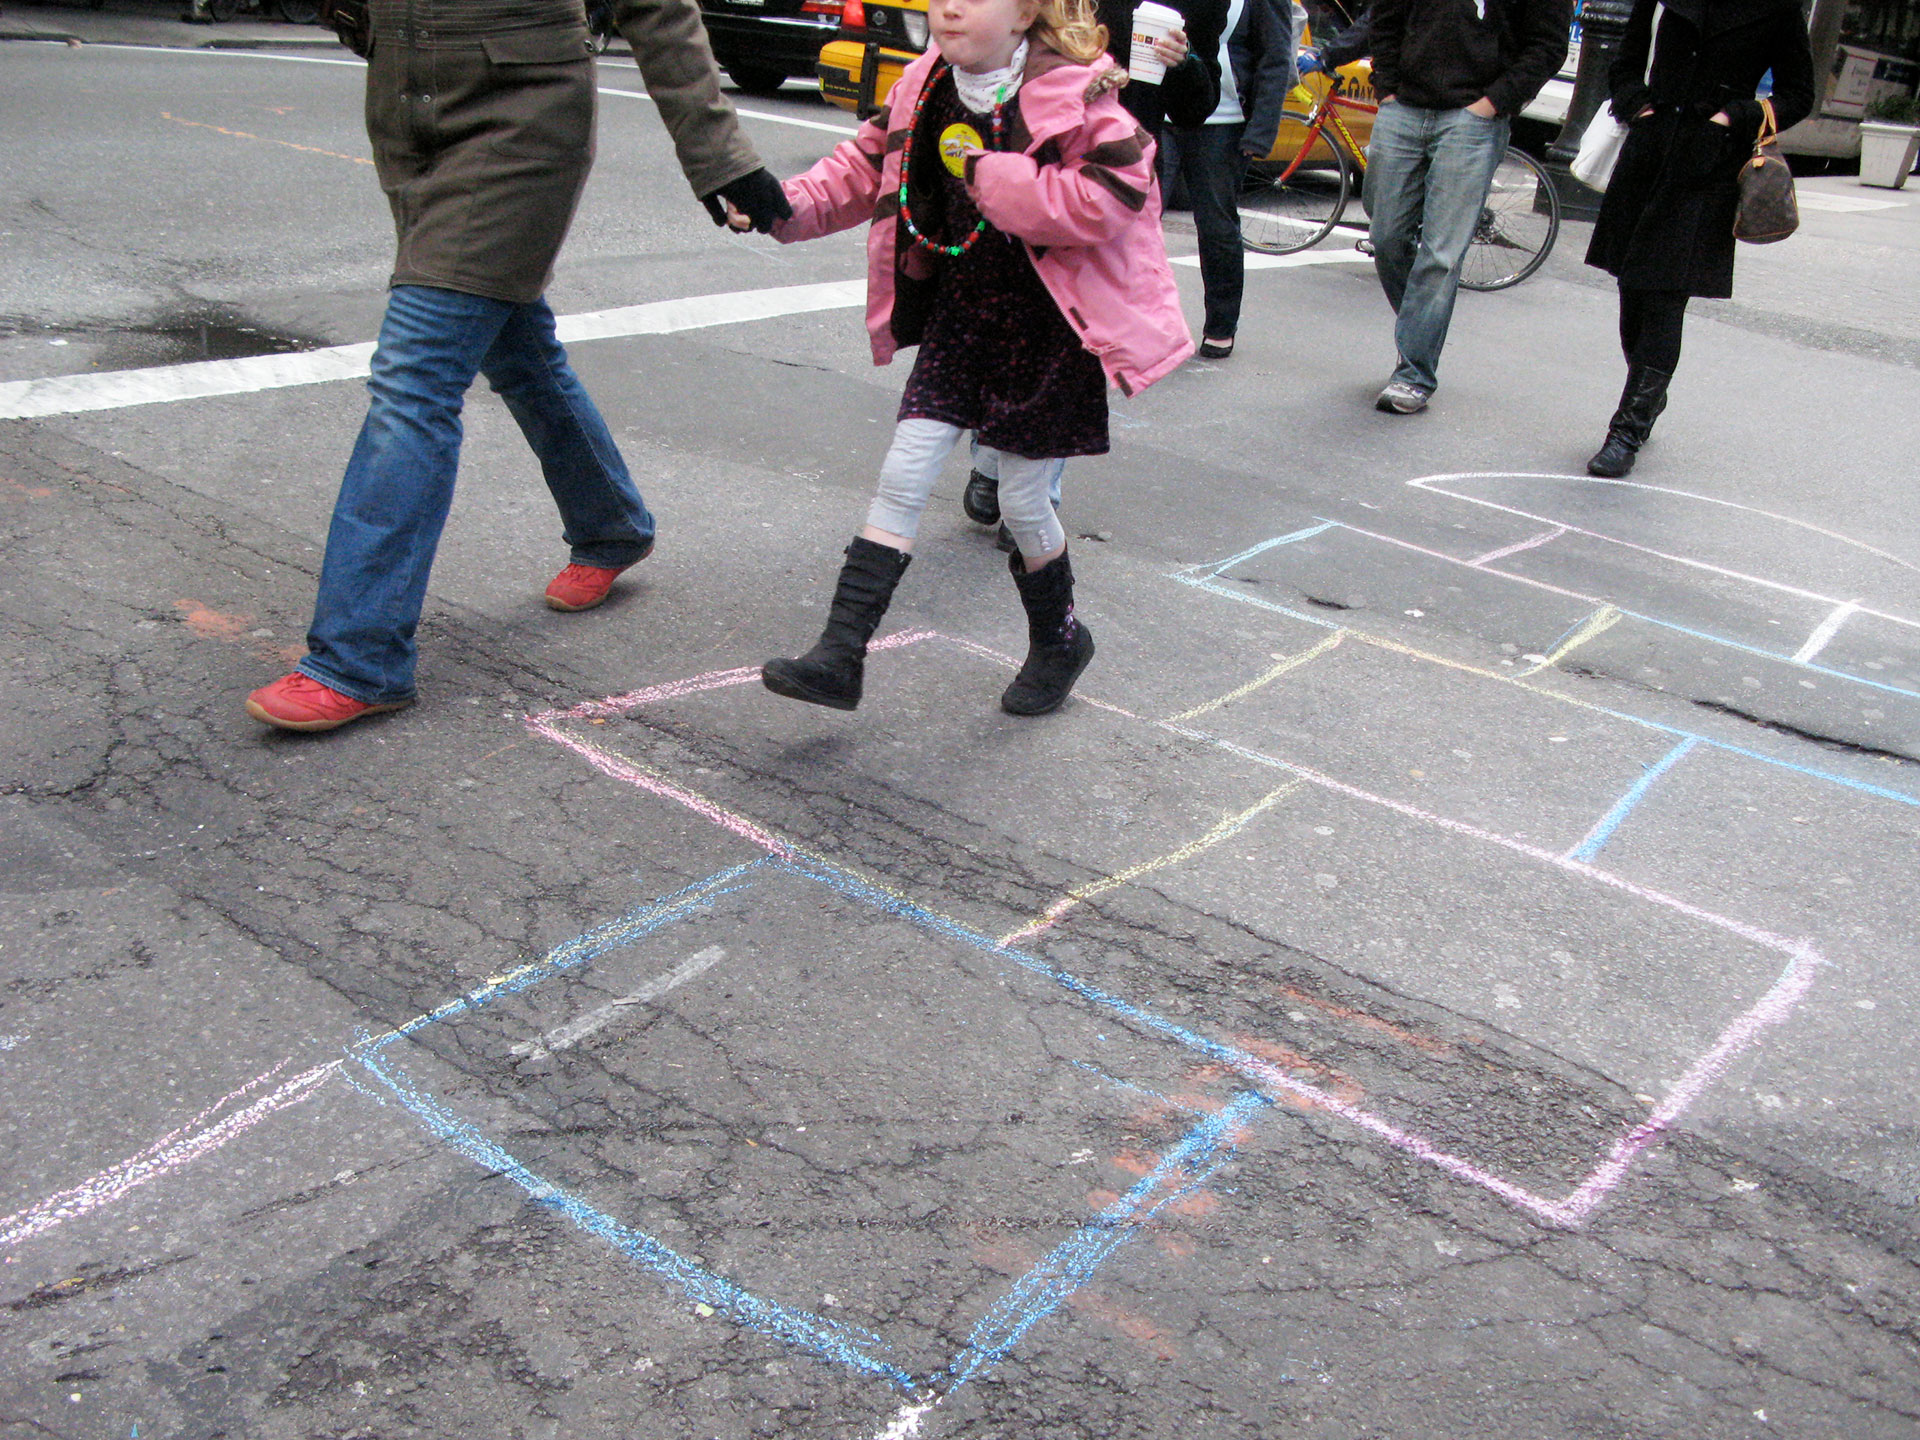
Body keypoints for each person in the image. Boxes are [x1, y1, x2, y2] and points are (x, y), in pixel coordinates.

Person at [244, 0, 790, 732]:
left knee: (415, 376)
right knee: (515, 345)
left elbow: (655, 6)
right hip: (410, 106)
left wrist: (722, 157)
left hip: (521, 124)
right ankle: (612, 524)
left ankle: (358, 656)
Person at [749, 0, 1192, 717]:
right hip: (962, 316)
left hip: (1047, 332)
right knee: (904, 471)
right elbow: (864, 167)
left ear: (1025, 15)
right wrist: (775, 204)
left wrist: (989, 173)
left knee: (1021, 500)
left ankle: (1060, 640)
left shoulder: (1081, 92)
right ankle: (839, 656)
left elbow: (1112, 196)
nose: (948, 7)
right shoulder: (925, 82)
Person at [960, 0, 1219, 536]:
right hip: (1028, 158)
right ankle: (992, 458)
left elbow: (1198, 105)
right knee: (1004, 321)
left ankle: (1035, 486)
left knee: (1076, 330)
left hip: (1114, 176)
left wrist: (1186, 62)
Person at [1581, 0, 1813, 476]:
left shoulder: (1778, 7)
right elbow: (1625, 62)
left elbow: (1798, 93)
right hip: (1648, 153)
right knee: (1633, 292)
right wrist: (1638, 106)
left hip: (1709, 165)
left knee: (1666, 293)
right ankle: (1650, 391)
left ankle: (1626, 429)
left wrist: (1734, 117)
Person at [1361, 0, 1569, 413]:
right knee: (1385, 238)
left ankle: (1414, 374)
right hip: (1403, 107)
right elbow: (1385, 16)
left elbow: (1547, 45)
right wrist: (1386, 89)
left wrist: (1493, 103)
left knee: (1441, 255)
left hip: (1473, 118)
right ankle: (1419, 332)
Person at [1160, 0, 1298, 359]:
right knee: (1136, 221)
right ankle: (1139, 323)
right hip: (1158, 114)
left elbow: (1276, 57)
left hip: (1223, 121)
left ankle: (1220, 326)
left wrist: (1260, 133)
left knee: (1216, 225)